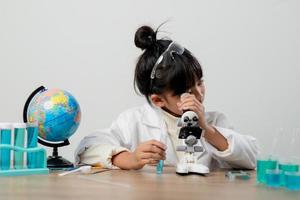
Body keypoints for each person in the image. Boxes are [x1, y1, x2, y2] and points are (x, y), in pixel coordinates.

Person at [75, 25, 258, 170]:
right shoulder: (135, 121)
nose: (199, 94)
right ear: (158, 100)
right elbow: (86, 149)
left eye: (199, 83)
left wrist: (206, 128)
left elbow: (252, 158)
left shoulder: (214, 121)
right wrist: (130, 159)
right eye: (185, 91)